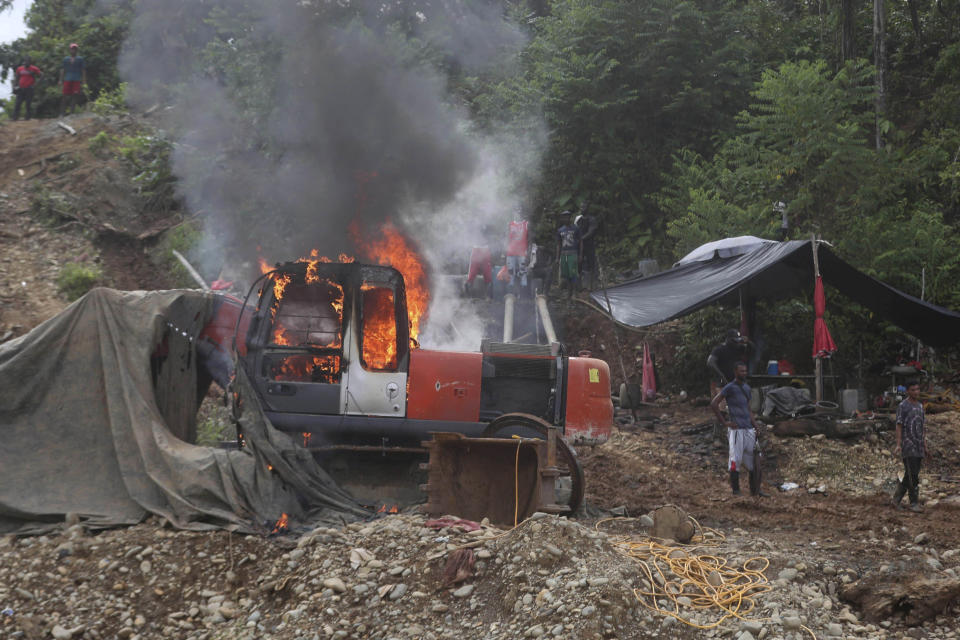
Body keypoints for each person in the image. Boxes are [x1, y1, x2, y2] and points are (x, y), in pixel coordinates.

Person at [710, 362, 766, 497]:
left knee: (755, 459)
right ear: (735, 372)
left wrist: (755, 425)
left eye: (745, 371)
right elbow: (714, 403)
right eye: (741, 371)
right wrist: (725, 423)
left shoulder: (746, 388)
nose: (744, 373)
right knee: (735, 460)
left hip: (748, 429)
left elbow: (748, 409)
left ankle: (755, 490)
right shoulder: (729, 388)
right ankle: (736, 491)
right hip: (736, 430)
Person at [892, 380, 929, 512]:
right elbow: (899, 425)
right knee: (913, 475)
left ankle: (896, 500)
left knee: (911, 474)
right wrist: (898, 444)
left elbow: (922, 426)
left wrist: (924, 445)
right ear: (908, 391)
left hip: (918, 445)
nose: (916, 392)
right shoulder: (903, 406)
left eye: (918, 389)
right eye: (913, 390)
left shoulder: (920, 406)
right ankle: (914, 503)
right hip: (908, 445)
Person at [707, 329, 751, 399]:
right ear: (728, 339)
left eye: (737, 341)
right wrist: (721, 375)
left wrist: (748, 342)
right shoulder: (719, 349)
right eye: (734, 341)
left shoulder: (738, 348)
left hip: (736, 382)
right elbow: (710, 362)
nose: (736, 343)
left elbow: (753, 351)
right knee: (722, 406)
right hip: (722, 383)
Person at [555, 210, 581, 298]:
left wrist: (580, 255)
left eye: (567, 217)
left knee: (573, 274)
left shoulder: (575, 228)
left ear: (570, 218)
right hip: (563, 254)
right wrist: (557, 258)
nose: (566, 219)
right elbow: (558, 244)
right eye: (564, 217)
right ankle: (569, 292)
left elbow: (581, 242)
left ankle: (574, 292)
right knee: (566, 275)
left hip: (573, 254)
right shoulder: (560, 230)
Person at [59, 43, 86, 117]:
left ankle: (71, 112)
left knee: (75, 95)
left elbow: (83, 70)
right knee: (65, 95)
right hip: (67, 78)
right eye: (72, 49)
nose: (73, 50)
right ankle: (62, 113)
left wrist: (84, 81)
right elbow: (62, 70)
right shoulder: (66, 59)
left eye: (75, 49)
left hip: (76, 79)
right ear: (70, 50)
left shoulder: (80, 59)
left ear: (77, 50)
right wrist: (60, 80)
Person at [574, 210, 599, 290]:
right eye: (581, 207)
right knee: (579, 264)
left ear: (588, 208)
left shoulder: (592, 219)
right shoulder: (578, 219)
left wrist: (581, 238)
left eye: (584, 207)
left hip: (589, 245)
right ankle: (579, 286)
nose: (582, 208)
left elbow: (591, 232)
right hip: (579, 245)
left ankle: (591, 286)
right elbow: (575, 229)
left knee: (591, 264)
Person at [12, 56, 43, 121]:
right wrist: (14, 87)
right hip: (20, 88)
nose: (26, 62)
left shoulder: (34, 68)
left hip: (29, 88)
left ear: (30, 62)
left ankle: (27, 117)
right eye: (25, 61)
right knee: (18, 103)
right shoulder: (20, 69)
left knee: (28, 104)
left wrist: (36, 85)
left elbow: (41, 75)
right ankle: (15, 117)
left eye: (28, 61)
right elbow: (17, 78)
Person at [505, 219, 529, 291]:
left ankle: (523, 292)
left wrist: (528, 251)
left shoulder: (526, 223)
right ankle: (511, 291)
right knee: (510, 272)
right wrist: (504, 252)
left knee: (523, 272)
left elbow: (530, 238)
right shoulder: (510, 224)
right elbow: (506, 238)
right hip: (511, 252)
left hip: (522, 252)